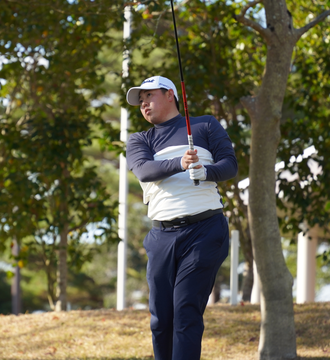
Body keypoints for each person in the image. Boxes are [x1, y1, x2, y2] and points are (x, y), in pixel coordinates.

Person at [125, 76, 238, 360]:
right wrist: (180, 163)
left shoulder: (205, 125)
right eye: (141, 101)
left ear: (170, 95)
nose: (144, 104)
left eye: (149, 96)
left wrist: (208, 172)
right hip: (161, 236)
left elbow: (230, 164)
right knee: (161, 319)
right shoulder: (140, 139)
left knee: (185, 310)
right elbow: (144, 170)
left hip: (205, 231)